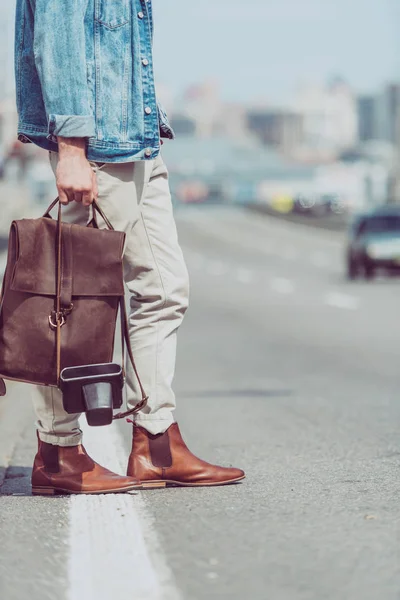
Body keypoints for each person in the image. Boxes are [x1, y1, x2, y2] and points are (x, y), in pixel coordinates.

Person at [15, 0, 245, 494]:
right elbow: (58, 45)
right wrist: (73, 149)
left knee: (163, 289)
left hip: (134, 142)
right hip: (97, 150)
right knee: (67, 306)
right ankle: (58, 451)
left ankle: (155, 443)